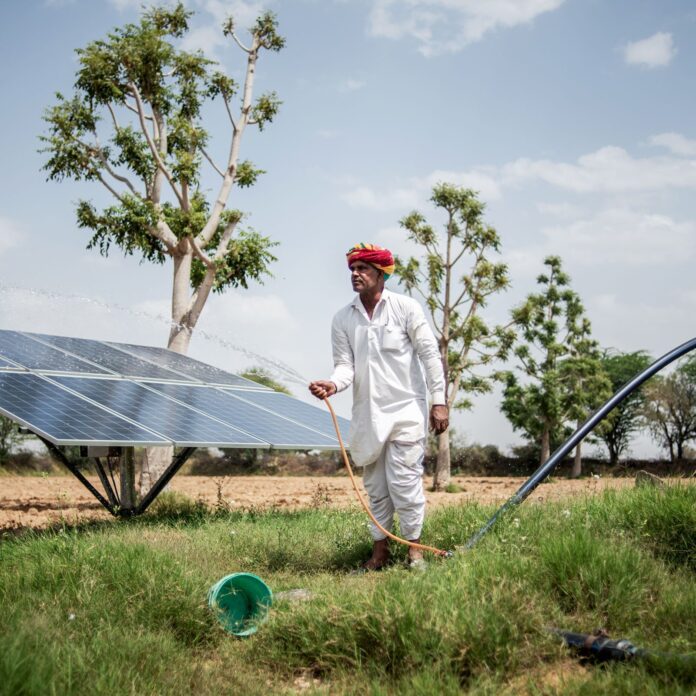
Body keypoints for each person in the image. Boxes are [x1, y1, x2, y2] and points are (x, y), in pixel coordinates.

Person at [309, 243, 449, 570]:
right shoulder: (343, 318)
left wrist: (438, 402)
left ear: (381, 274)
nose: (355, 275)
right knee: (375, 487)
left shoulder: (406, 308)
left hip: (406, 413)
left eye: (363, 269)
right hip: (367, 416)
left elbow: (430, 355)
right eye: (352, 270)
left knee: (404, 483)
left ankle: (414, 551)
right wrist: (332, 383)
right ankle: (380, 552)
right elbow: (345, 366)